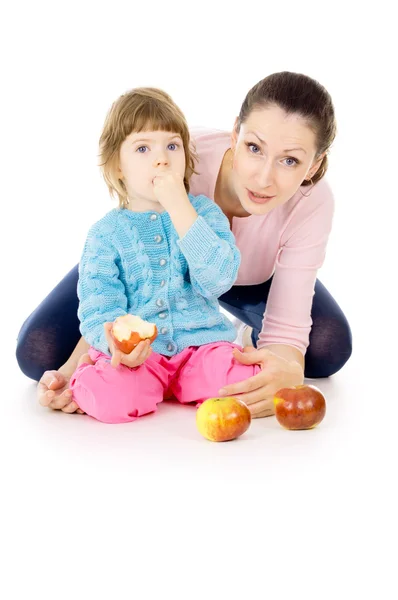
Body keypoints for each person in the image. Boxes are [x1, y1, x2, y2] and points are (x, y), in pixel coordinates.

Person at [17, 71, 352, 418]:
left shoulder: (311, 202)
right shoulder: (176, 157)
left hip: (243, 278)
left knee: (327, 345)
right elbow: (109, 303)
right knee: (38, 352)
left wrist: (283, 370)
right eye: (254, 148)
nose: (263, 178)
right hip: (144, 271)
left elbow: (286, 326)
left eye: (290, 160)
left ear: (314, 165)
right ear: (235, 132)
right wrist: (74, 369)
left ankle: (238, 339)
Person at [65, 86, 273, 423]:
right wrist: (113, 345)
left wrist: (179, 206)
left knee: (249, 383)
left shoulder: (203, 214)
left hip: (203, 349)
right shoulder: (105, 234)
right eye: (143, 148)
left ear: (186, 158)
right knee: (109, 398)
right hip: (142, 358)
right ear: (118, 166)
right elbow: (97, 307)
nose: (161, 158)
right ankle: (87, 376)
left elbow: (219, 280)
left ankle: (220, 362)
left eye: (172, 146)